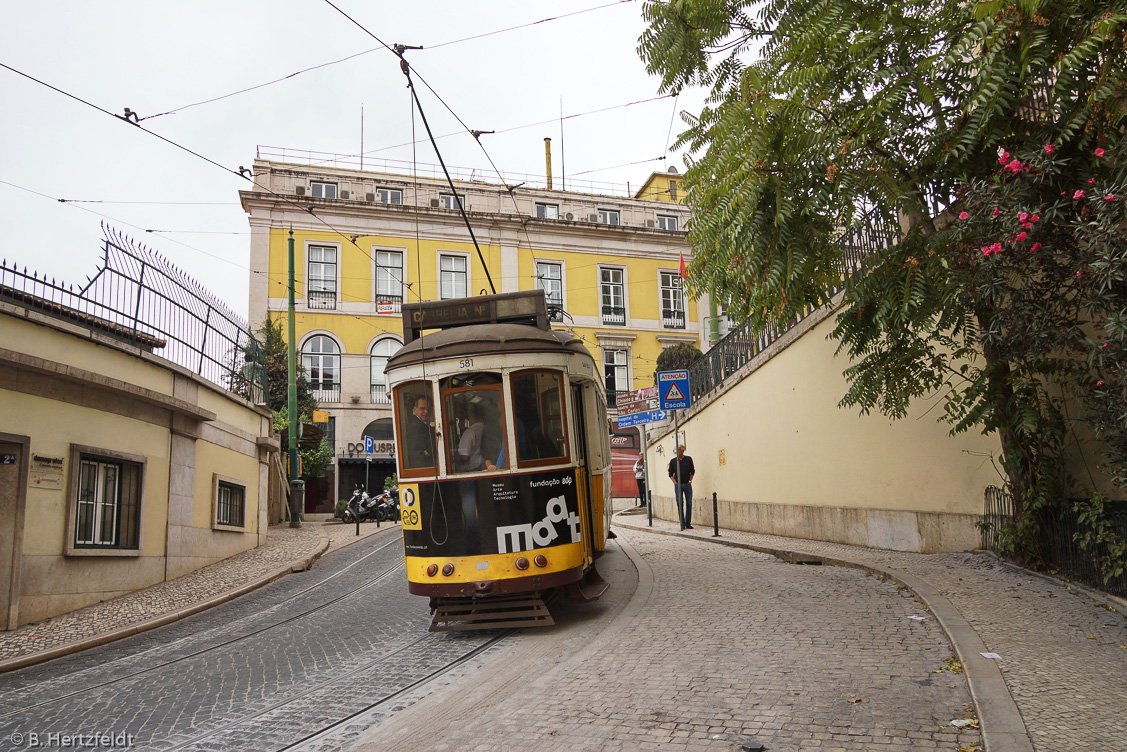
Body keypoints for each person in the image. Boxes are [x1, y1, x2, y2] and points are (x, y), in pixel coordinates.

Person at [667, 444, 695, 529]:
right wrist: (675, 483)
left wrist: (690, 481)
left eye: (679, 450)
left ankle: (688, 523)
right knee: (680, 503)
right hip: (678, 485)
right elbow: (670, 474)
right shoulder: (673, 461)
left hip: (687, 484)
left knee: (689, 503)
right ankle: (682, 523)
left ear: (683, 450)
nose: (677, 451)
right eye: (676, 450)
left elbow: (692, 471)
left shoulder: (688, 459)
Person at [404, 395, 436, 469]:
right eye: (422, 408)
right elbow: (417, 455)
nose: (426, 412)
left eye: (428, 408)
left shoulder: (426, 426)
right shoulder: (416, 427)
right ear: (415, 409)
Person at [456, 403, 487, 471]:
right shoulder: (487, 429)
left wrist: (453, 458)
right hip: (484, 467)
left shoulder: (469, 432)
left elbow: (464, 457)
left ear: (470, 416)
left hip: (472, 470)